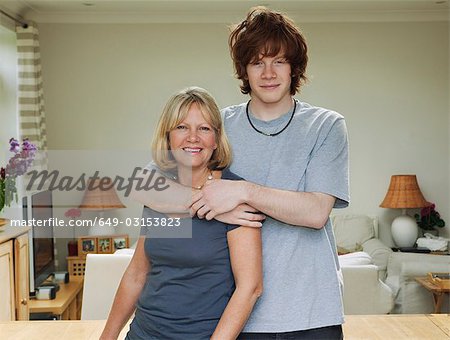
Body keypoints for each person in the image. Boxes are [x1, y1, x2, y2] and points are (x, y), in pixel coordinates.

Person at [190, 6, 350, 339]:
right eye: (257, 62)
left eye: (279, 61)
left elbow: (316, 211)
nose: (268, 73)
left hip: (313, 312)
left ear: (294, 67)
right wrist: (212, 200)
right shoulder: (218, 126)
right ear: (244, 70)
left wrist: (243, 191)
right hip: (238, 313)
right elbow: (165, 185)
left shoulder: (326, 126)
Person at [100, 87, 262, 340]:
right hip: (143, 333)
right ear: (168, 137)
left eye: (204, 128)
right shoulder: (157, 194)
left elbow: (250, 288)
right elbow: (137, 273)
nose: (193, 138)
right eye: (182, 127)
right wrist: (107, 337)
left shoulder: (234, 197)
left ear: (217, 139)